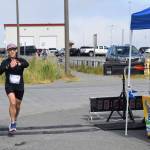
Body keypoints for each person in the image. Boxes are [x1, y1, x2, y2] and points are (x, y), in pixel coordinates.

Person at [0, 43, 29, 132]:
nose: (12, 51)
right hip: (9, 86)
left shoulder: (20, 60)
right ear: (8, 51)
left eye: (13, 49)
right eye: (10, 50)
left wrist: (18, 64)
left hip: (20, 86)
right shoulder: (5, 62)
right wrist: (8, 66)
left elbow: (27, 64)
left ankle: (15, 119)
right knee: (12, 103)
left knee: (17, 105)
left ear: (16, 50)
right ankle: (12, 123)